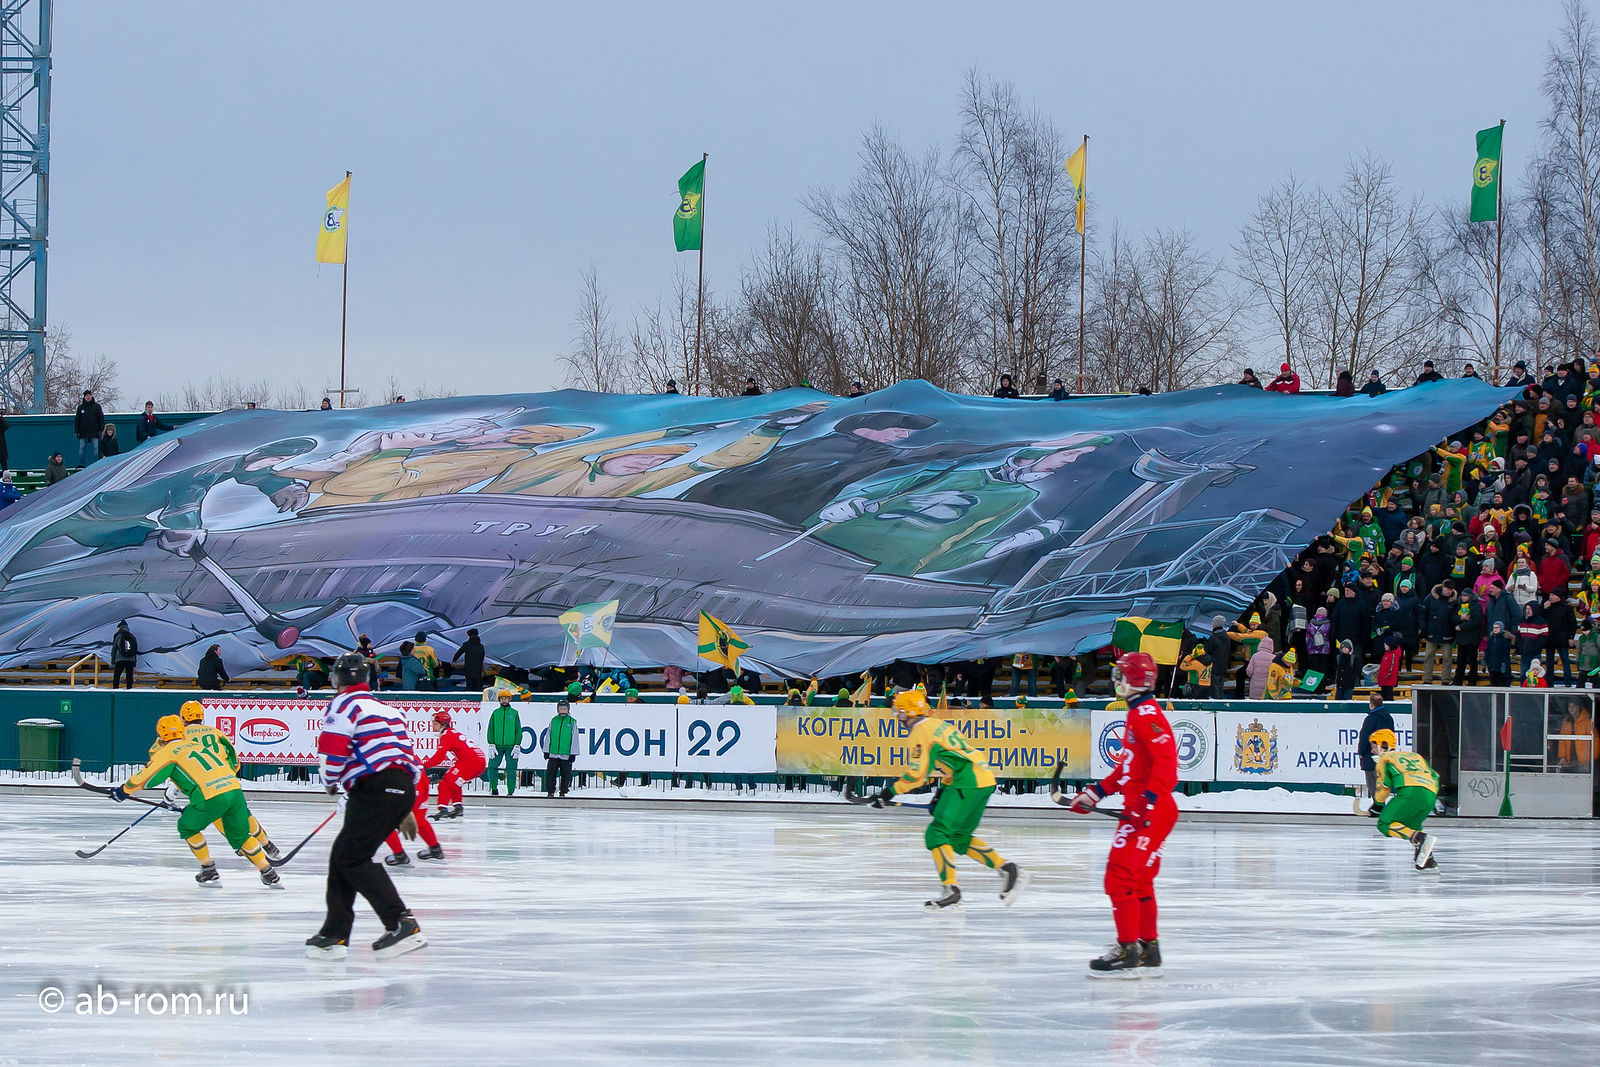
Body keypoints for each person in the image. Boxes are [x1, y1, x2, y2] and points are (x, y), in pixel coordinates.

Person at [306, 652, 426, 961]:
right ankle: (334, 932)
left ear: (337, 680)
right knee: (343, 855)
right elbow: (406, 756)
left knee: (350, 858)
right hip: (401, 787)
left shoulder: (344, 704)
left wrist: (330, 781)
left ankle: (401, 922)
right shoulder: (388, 709)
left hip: (374, 788)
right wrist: (404, 806)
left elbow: (333, 748)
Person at [1068, 652, 1178, 977]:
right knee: (1139, 881)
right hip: (1145, 809)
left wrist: (1147, 801)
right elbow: (1127, 768)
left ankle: (1128, 947)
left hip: (1149, 811)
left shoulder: (1146, 714)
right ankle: (1148, 947)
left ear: (1135, 680)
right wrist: (1096, 791)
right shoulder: (1136, 714)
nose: (1117, 682)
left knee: (1119, 876)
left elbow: (1167, 763)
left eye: (1121, 676)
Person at [866, 689, 1026, 911]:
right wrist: (942, 793)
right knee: (959, 838)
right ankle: (1006, 867)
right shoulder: (936, 724)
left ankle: (951, 888)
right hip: (984, 778)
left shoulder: (918, 731)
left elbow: (918, 775)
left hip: (967, 780)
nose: (899, 720)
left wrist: (888, 792)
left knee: (938, 833)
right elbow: (953, 758)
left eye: (900, 714)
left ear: (909, 713)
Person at [111, 714, 281, 887]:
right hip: (234, 790)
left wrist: (124, 790)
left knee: (187, 826)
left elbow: (148, 778)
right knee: (240, 836)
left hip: (211, 796)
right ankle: (268, 873)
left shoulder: (168, 751)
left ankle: (208, 870)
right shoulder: (197, 746)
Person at [176, 700, 277, 856]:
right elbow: (234, 758)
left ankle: (243, 846)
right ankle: (267, 844)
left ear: (183, 718)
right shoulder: (215, 731)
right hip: (228, 780)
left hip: (207, 786)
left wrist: (174, 791)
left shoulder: (181, 738)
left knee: (217, 815)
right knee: (242, 813)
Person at [1369, 728, 1440, 871]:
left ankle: (1418, 838)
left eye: (1373, 746)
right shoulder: (1415, 756)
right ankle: (1427, 857)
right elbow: (1435, 776)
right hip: (1431, 793)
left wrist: (1377, 805)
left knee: (1384, 823)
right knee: (1411, 824)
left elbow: (1383, 786)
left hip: (1411, 791)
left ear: (1382, 744)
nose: (1372, 751)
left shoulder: (1385, 759)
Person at [423, 710, 487, 820]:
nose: (432, 726)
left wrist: (424, 766)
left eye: (435, 724)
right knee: (454, 782)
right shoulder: (452, 733)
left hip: (471, 761)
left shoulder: (446, 735)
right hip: (479, 760)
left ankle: (442, 809)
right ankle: (458, 807)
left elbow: (439, 757)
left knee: (445, 783)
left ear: (443, 725)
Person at [382, 761, 445, 867]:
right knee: (419, 818)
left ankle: (399, 855)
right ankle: (435, 849)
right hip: (418, 775)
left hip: (405, 779)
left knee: (384, 822)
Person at [1356, 695, 1395, 812]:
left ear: (1371, 704)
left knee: (1372, 781)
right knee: (1382, 780)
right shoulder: (1389, 718)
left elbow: (1364, 736)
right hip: (1384, 753)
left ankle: (1378, 805)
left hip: (1371, 754)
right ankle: (1380, 804)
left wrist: (1361, 751)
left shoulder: (1371, 718)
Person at [486, 689, 522, 796]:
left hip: (511, 746)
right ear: (499, 700)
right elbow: (490, 729)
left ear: (509, 699)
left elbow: (518, 730)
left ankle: (510, 792)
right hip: (497, 745)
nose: (504, 700)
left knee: (511, 769)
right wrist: (491, 743)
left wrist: (517, 744)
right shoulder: (495, 713)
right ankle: (493, 788)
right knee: (492, 767)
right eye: (502, 698)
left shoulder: (514, 713)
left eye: (506, 698)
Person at [545, 698, 577, 797]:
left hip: (566, 753)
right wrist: (546, 750)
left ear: (568, 709)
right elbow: (548, 736)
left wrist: (573, 753)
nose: (563, 710)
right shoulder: (553, 720)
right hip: (553, 752)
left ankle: (563, 791)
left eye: (565, 708)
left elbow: (575, 738)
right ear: (558, 709)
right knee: (551, 774)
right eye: (561, 708)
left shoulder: (572, 721)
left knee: (565, 774)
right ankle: (550, 791)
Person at [73, 389, 104, 466]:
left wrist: (101, 429)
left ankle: (97, 464)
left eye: (89, 395)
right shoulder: (80, 407)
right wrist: (76, 431)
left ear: (92, 396)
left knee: (96, 448)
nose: (88, 397)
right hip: (83, 432)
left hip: (95, 431)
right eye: (86, 396)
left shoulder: (97, 406)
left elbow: (101, 419)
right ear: (84, 397)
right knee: (82, 448)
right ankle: (81, 464)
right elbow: (77, 420)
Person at [110, 620, 137, 689]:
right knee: (129, 676)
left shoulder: (118, 635)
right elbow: (135, 649)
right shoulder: (132, 636)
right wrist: (134, 663)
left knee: (117, 675)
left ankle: (115, 689)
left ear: (119, 627)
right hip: (131, 659)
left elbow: (114, 649)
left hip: (120, 659)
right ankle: (129, 689)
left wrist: (113, 661)